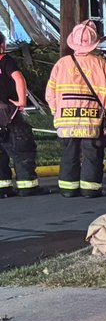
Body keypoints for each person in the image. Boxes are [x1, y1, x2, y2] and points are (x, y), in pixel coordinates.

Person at [45, 20, 106, 197]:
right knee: (92, 154)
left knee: (68, 154)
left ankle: (68, 189)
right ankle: (90, 189)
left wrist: (56, 112)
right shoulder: (100, 63)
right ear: (94, 43)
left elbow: (50, 93)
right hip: (92, 119)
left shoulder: (61, 64)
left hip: (65, 119)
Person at [0, 31, 39, 197]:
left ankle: (3, 187)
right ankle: (27, 185)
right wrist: (22, 101)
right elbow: (19, 79)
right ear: (2, 45)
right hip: (7, 111)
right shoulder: (5, 60)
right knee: (21, 147)